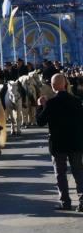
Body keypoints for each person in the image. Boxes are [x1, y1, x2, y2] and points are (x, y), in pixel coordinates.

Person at [37, 73, 83, 211]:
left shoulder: (50, 103)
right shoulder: (77, 101)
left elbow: (40, 121)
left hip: (58, 145)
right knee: (79, 172)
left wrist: (40, 106)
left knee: (60, 175)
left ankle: (65, 202)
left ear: (52, 86)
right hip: (76, 143)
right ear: (65, 84)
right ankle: (82, 201)